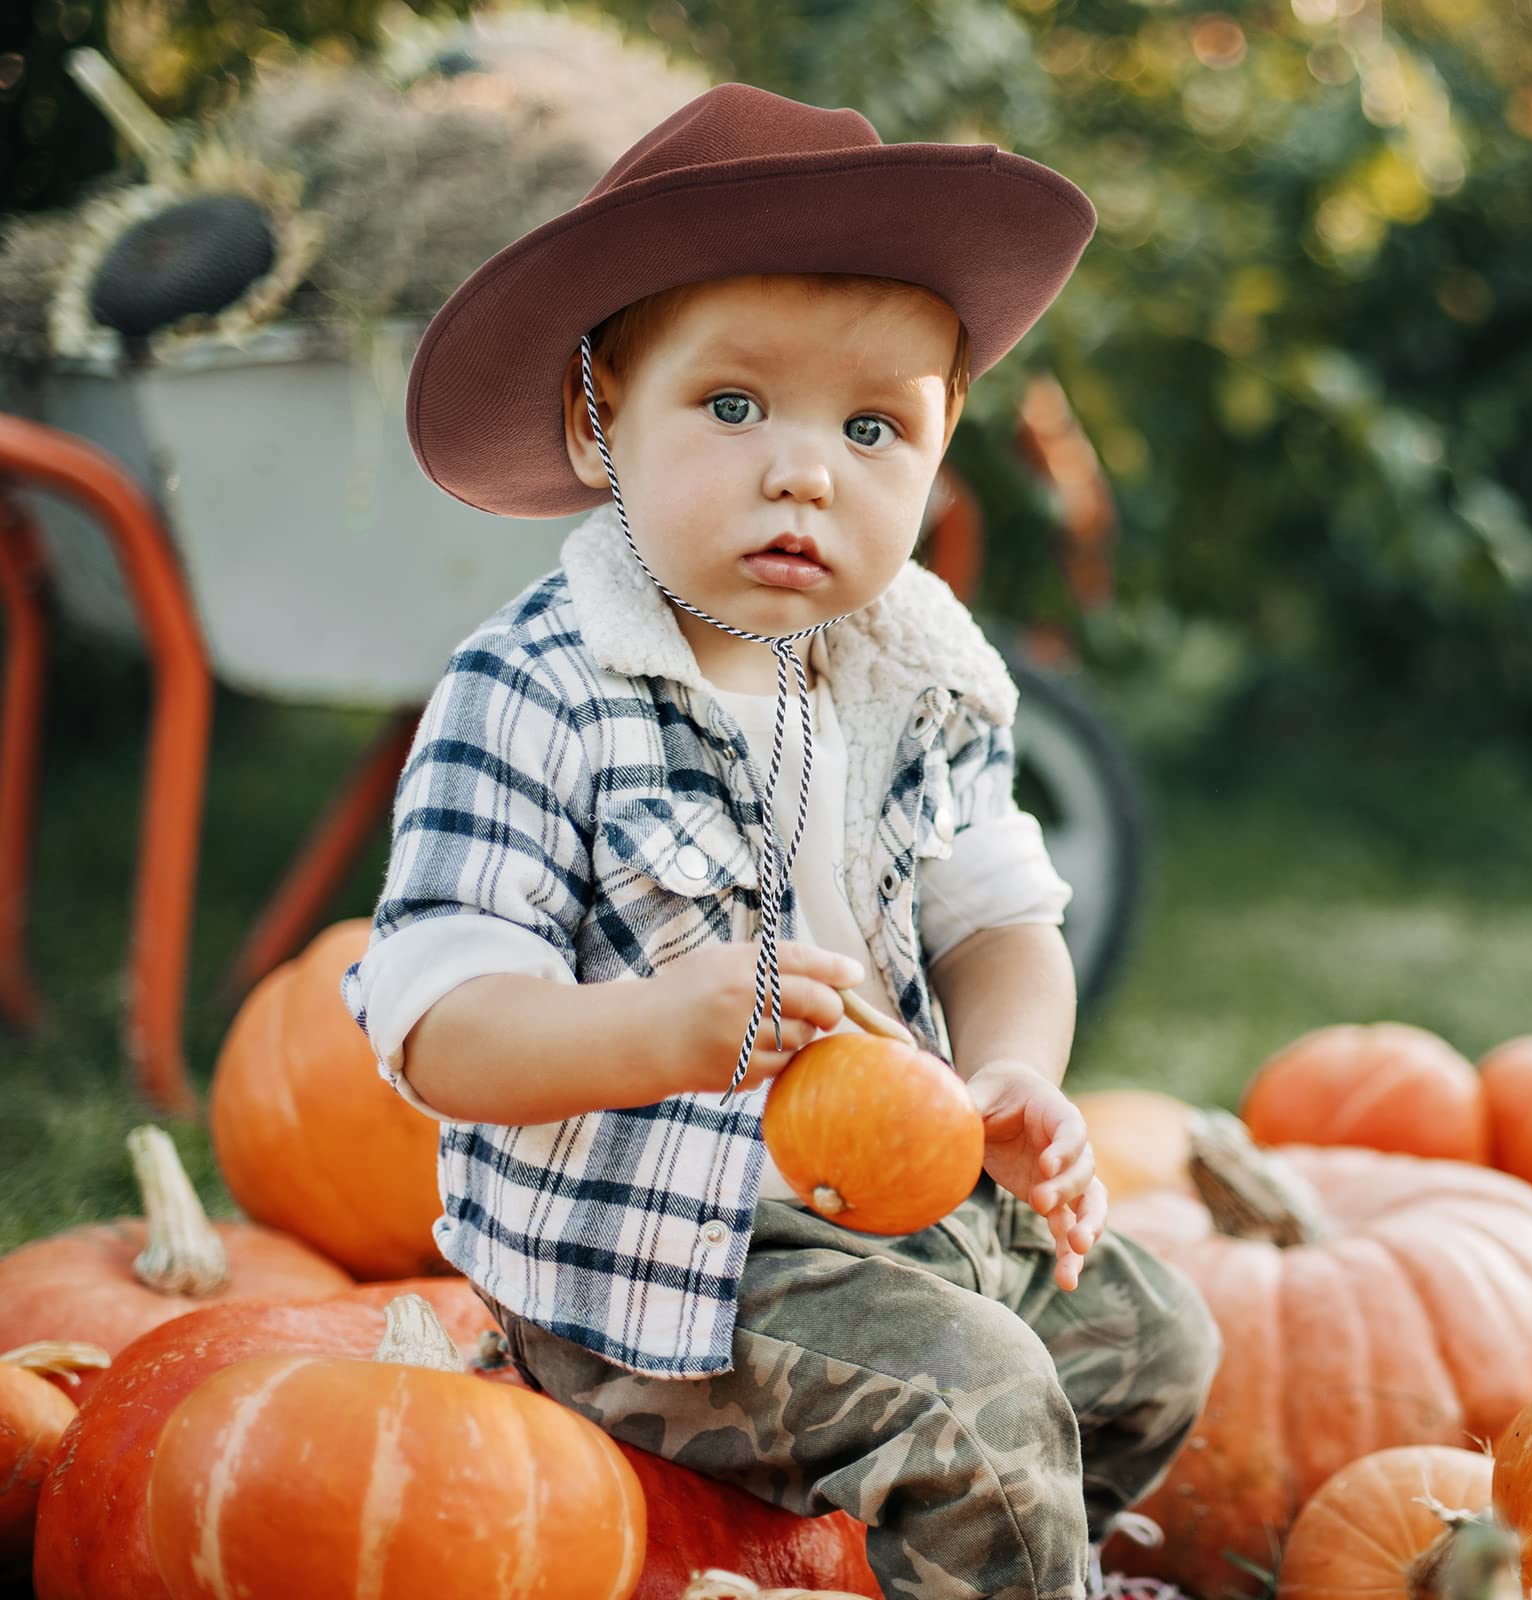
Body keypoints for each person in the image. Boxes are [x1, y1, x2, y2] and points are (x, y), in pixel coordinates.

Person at [342, 81, 1220, 1600]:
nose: (805, 469)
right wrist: (661, 1029)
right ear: (595, 413)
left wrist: (1011, 1073)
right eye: (735, 405)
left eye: (873, 426)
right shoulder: (536, 687)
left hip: (898, 1210)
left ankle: (953, 1561)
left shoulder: (913, 665)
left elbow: (999, 916)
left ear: (938, 454)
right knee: (975, 1401)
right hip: (658, 1274)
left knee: (1153, 1346)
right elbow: (436, 1023)